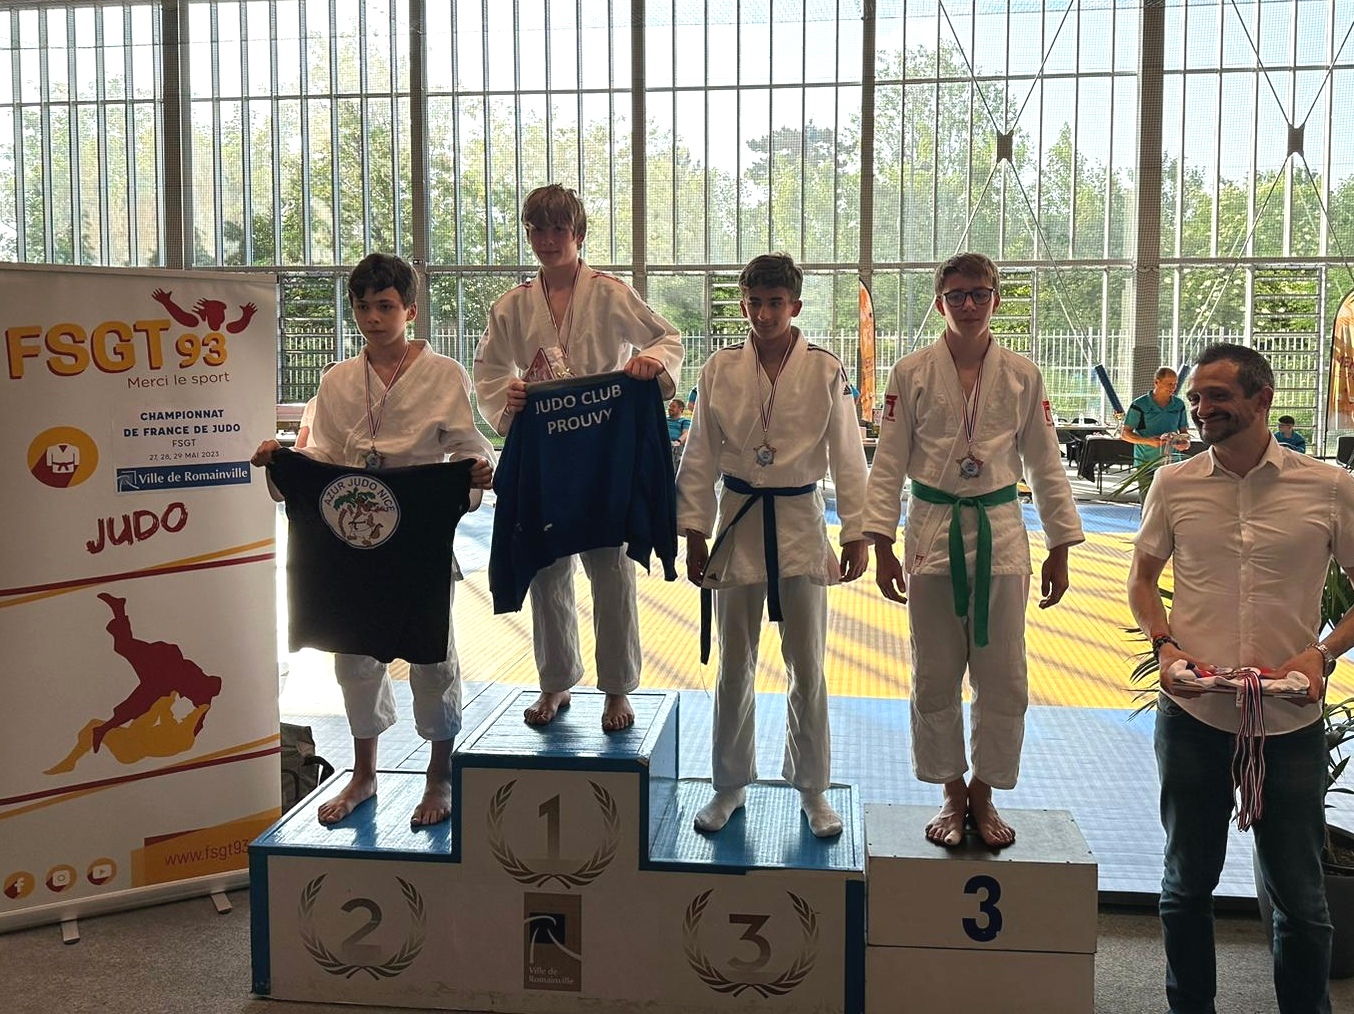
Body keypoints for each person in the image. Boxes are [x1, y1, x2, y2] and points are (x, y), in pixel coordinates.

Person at [1127, 342, 1349, 1014]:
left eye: (1217, 397)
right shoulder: (1174, 484)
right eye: (1196, 398)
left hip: (1288, 723)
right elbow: (1142, 580)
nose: (1200, 409)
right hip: (1194, 718)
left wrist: (1323, 655)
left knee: (1301, 901)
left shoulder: (1330, 487)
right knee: (1185, 888)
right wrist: (1164, 646)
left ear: (1262, 399)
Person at [252, 253, 495, 828]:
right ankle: (364, 773)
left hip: (417, 535)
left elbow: (467, 444)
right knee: (353, 654)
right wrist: (282, 461)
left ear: (410, 310)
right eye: (362, 306)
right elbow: (321, 453)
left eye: (385, 306)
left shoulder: (443, 374)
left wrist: (476, 470)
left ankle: (439, 773)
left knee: (433, 656)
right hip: (352, 538)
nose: (372, 318)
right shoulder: (337, 379)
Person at [862, 251, 1084, 848]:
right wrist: (880, 541)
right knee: (934, 671)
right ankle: (950, 791)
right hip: (931, 531)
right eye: (956, 295)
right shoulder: (910, 372)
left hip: (1000, 531)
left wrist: (1061, 543)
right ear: (940, 302)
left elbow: (1045, 464)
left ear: (995, 300)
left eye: (979, 294)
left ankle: (984, 792)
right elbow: (888, 462)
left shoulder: (1022, 374)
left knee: (1003, 674)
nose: (968, 304)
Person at [474, 183, 684, 732]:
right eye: (536, 229)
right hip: (545, 451)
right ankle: (556, 680)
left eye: (558, 229)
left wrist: (650, 363)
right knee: (546, 566)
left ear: (578, 233)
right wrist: (507, 394)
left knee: (610, 569)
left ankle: (617, 688)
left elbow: (668, 338)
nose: (547, 240)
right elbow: (489, 371)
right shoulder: (512, 305)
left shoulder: (611, 293)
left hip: (602, 451)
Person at [677, 253, 868, 839]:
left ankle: (813, 789)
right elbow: (699, 454)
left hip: (801, 521)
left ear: (795, 306)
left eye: (775, 303)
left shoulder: (825, 369)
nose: (764, 314)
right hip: (737, 519)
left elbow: (848, 455)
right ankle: (729, 784)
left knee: (806, 663)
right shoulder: (719, 369)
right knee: (734, 660)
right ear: (744, 305)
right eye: (755, 303)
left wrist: (857, 531)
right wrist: (694, 532)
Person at [1121, 367, 1190, 496]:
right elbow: (1125, 434)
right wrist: (1148, 441)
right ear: (1157, 382)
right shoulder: (1139, 404)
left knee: (1171, 502)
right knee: (1149, 502)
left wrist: (1184, 442)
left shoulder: (1179, 404)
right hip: (1146, 463)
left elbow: (1184, 432)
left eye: (1175, 384)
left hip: (1172, 462)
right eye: (1169, 383)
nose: (1173, 387)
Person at [295, 360, 338, 449]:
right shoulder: (312, 403)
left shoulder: (347, 404)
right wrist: (296, 454)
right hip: (312, 454)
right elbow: (304, 434)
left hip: (333, 455)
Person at [667, 397, 691, 468]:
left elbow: (686, 434)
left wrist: (678, 441)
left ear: (680, 409)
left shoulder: (684, 421)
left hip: (674, 446)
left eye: (673, 406)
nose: (670, 408)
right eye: (669, 406)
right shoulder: (663, 420)